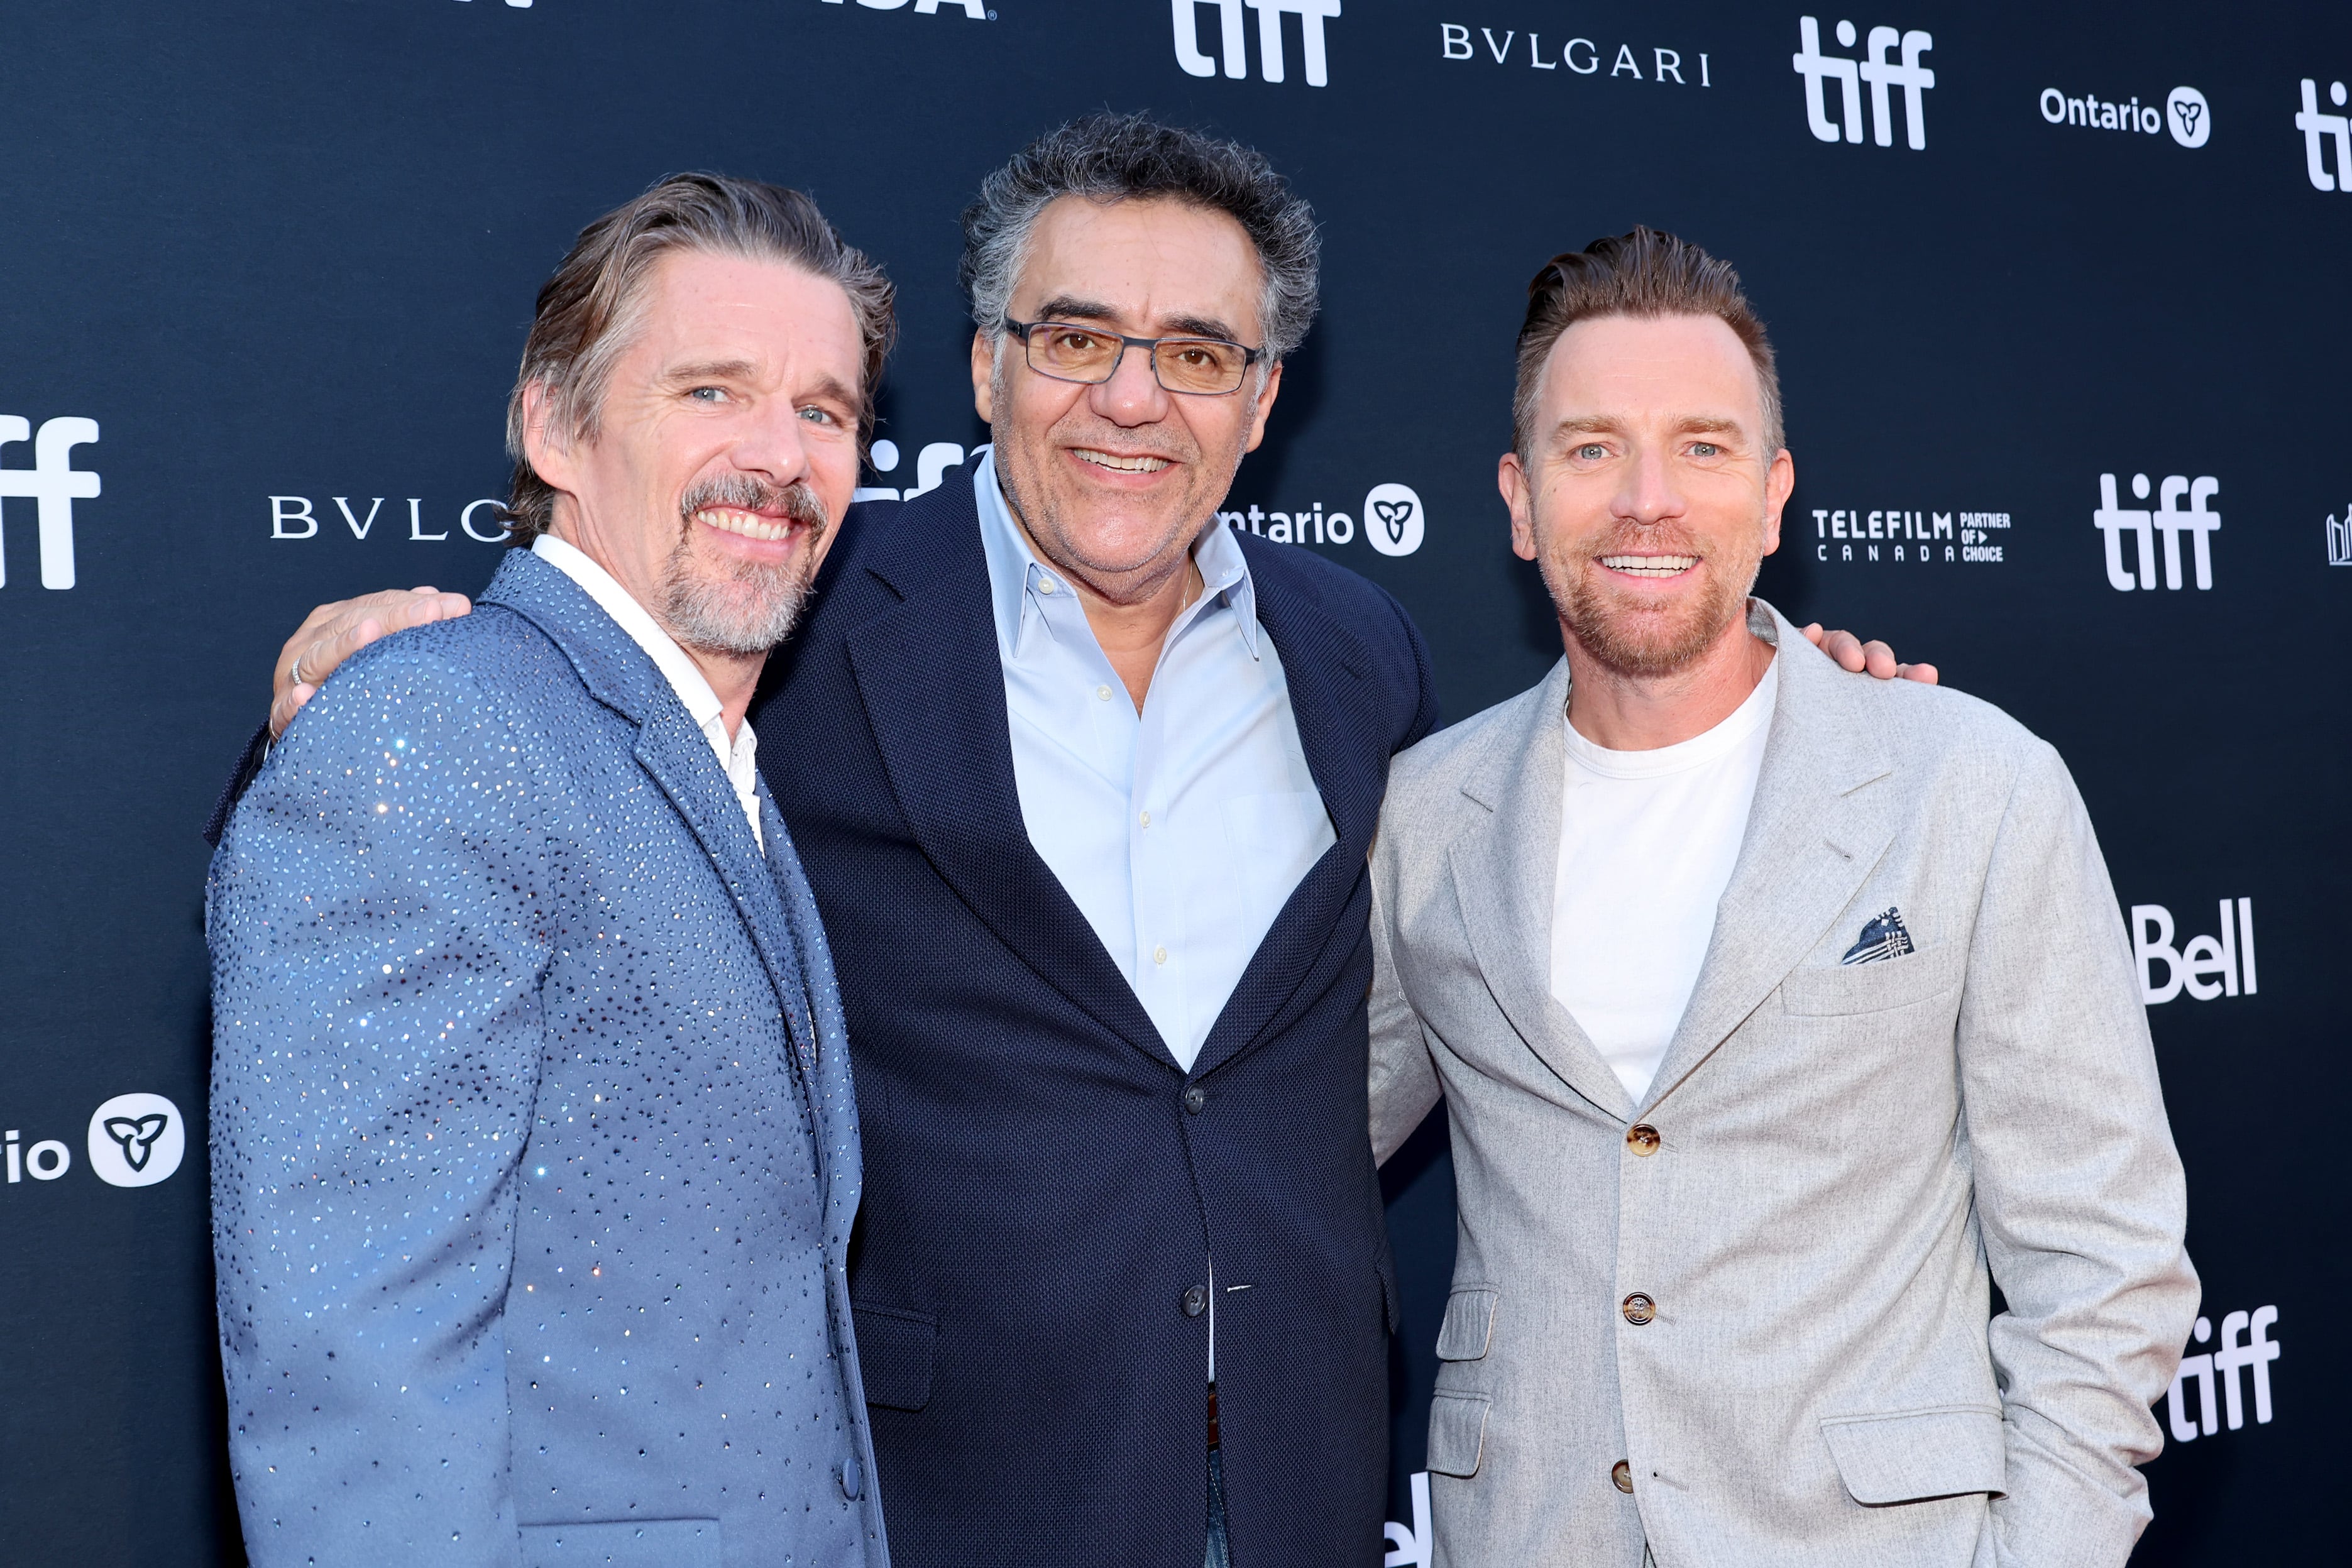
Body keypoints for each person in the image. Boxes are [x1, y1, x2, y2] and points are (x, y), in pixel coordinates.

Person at [217, 121, 1926, 1567]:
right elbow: (550, 765)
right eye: (1073, 336)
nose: (1132, 398)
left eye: (1196, 353)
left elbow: (1544, 848)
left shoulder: (1359, 657)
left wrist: (1791, 694)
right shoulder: (802, 617)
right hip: (950, 1486)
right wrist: (364, 667)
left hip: (1296, 1470)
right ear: (981, 368)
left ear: (1261, 402)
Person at [1366, 228, 2196, 1568]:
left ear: (1771, 496)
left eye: (1700, 447)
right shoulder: (1423, 815)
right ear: (1519, 503)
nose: (1646, 499)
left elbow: (2099, 1257)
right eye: (1590, 450)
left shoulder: (1967, 783)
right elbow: (1281, 1146)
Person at [206, 175, 896, 1567]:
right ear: (552, 426)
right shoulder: (440, 726)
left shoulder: (701, 755)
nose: (780, 457)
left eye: (824, 410)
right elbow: (357, 1380)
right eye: (711, 391)